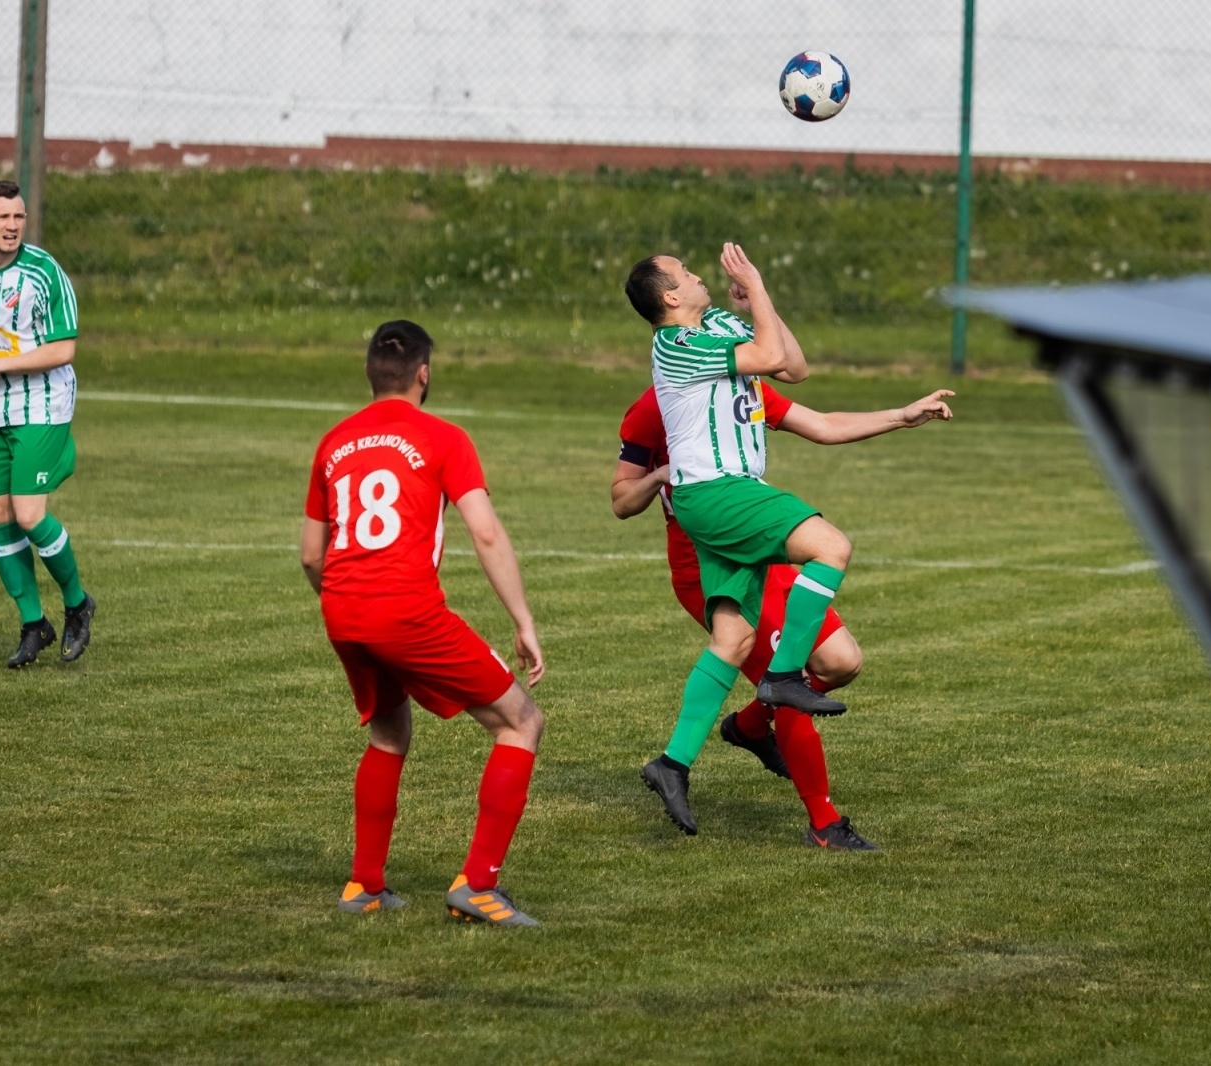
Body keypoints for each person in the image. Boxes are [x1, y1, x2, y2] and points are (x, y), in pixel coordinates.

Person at [623, 243, 952, 836]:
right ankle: (785, 689)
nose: (700, 276)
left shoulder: (718, 329)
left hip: (720, 501)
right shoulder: (680, 345)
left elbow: (792, 367)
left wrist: (902, 415)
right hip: (721, 494)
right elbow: (769, 353)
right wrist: (757, 286)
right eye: (687, 275)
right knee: (832, 546)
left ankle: (672, 763)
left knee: (733, 638)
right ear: (670, 297)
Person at [300, 320, 546, 926]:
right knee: (521, 721)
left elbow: (311, 553)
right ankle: (480, 887)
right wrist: (522, 621)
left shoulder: (333, 442)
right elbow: (485, 531)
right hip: (404, 609)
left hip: (341, 608)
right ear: (424, 374)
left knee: (388, 734)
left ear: (370, 374)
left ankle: (365, 886)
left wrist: (342, 600)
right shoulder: (444, 438)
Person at [0, 179, 95, 668]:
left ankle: (77, 602)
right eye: (2, 217)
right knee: (0, 519)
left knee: (28, 514)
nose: (11, 226)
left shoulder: (44, 272)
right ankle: (34, 624)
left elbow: (64, 348)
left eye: (19, 217)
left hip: (43, 405)